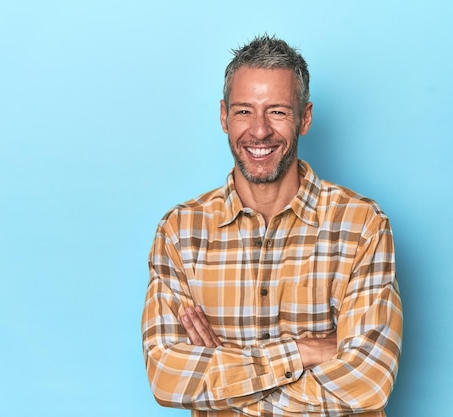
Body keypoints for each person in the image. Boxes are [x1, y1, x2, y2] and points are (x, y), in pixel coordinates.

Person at [141, 34, 403, 417]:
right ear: (223, 116)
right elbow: (167, 376)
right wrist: (303, 352)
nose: (259, 131)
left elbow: (368, 381)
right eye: (244, 111)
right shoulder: (180, 232)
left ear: (305, 118)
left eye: (277, 111)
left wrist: (224, 375)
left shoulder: (362, 225)